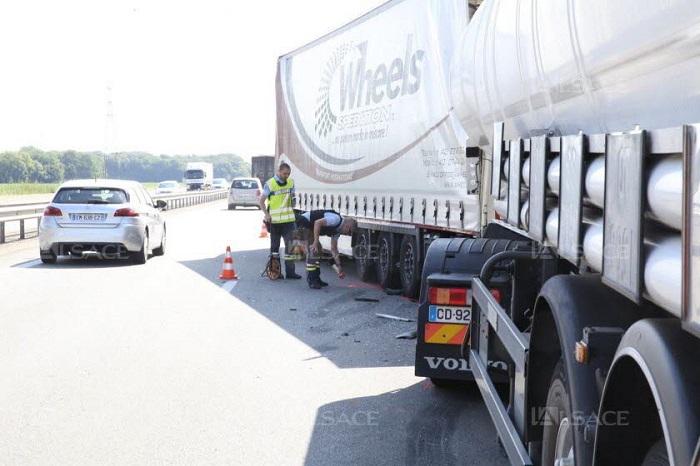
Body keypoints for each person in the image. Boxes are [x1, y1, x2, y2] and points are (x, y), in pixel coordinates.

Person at [258, 162, 301, 279]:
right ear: (279, 172)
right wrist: (266, 214)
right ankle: (275, 272)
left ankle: (291, 273)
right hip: (275, 222)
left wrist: (294, 204)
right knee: (275, 249)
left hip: (289, 222)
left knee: (291, 247)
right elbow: (261, 201)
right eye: (284, 173)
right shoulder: (270, 184)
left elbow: (293, 199)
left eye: (288, 174)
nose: (286, 176)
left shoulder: (291, 182)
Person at [296, 209, 356, 289]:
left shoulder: (337, 231)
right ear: (347, 225)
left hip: (309, 227)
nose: (348, 234)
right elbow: (317, 223)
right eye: (349, 231)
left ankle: (316, 279)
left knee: (319, 252)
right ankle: (312, 280)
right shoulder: (335, 219)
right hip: (303, 223)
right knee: (314, 251)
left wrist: (338, 265)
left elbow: (334, 249)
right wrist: (315, 242)